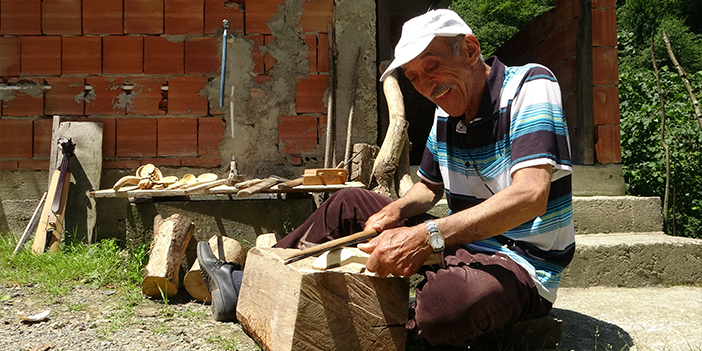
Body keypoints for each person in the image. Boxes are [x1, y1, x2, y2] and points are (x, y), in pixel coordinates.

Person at [198, 8, 575, 348]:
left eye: (432, 66)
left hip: (523, 264)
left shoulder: (529, 86)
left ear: (471, 50)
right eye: (413, 77)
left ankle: (388, 324)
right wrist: (395, 211)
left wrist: (426, 236)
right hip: (461, 244)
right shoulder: (445, 114)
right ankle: (249, 283)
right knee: (349, 201)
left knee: (444, 309)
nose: (428, 85)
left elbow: (531, 195)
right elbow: (428, 187)